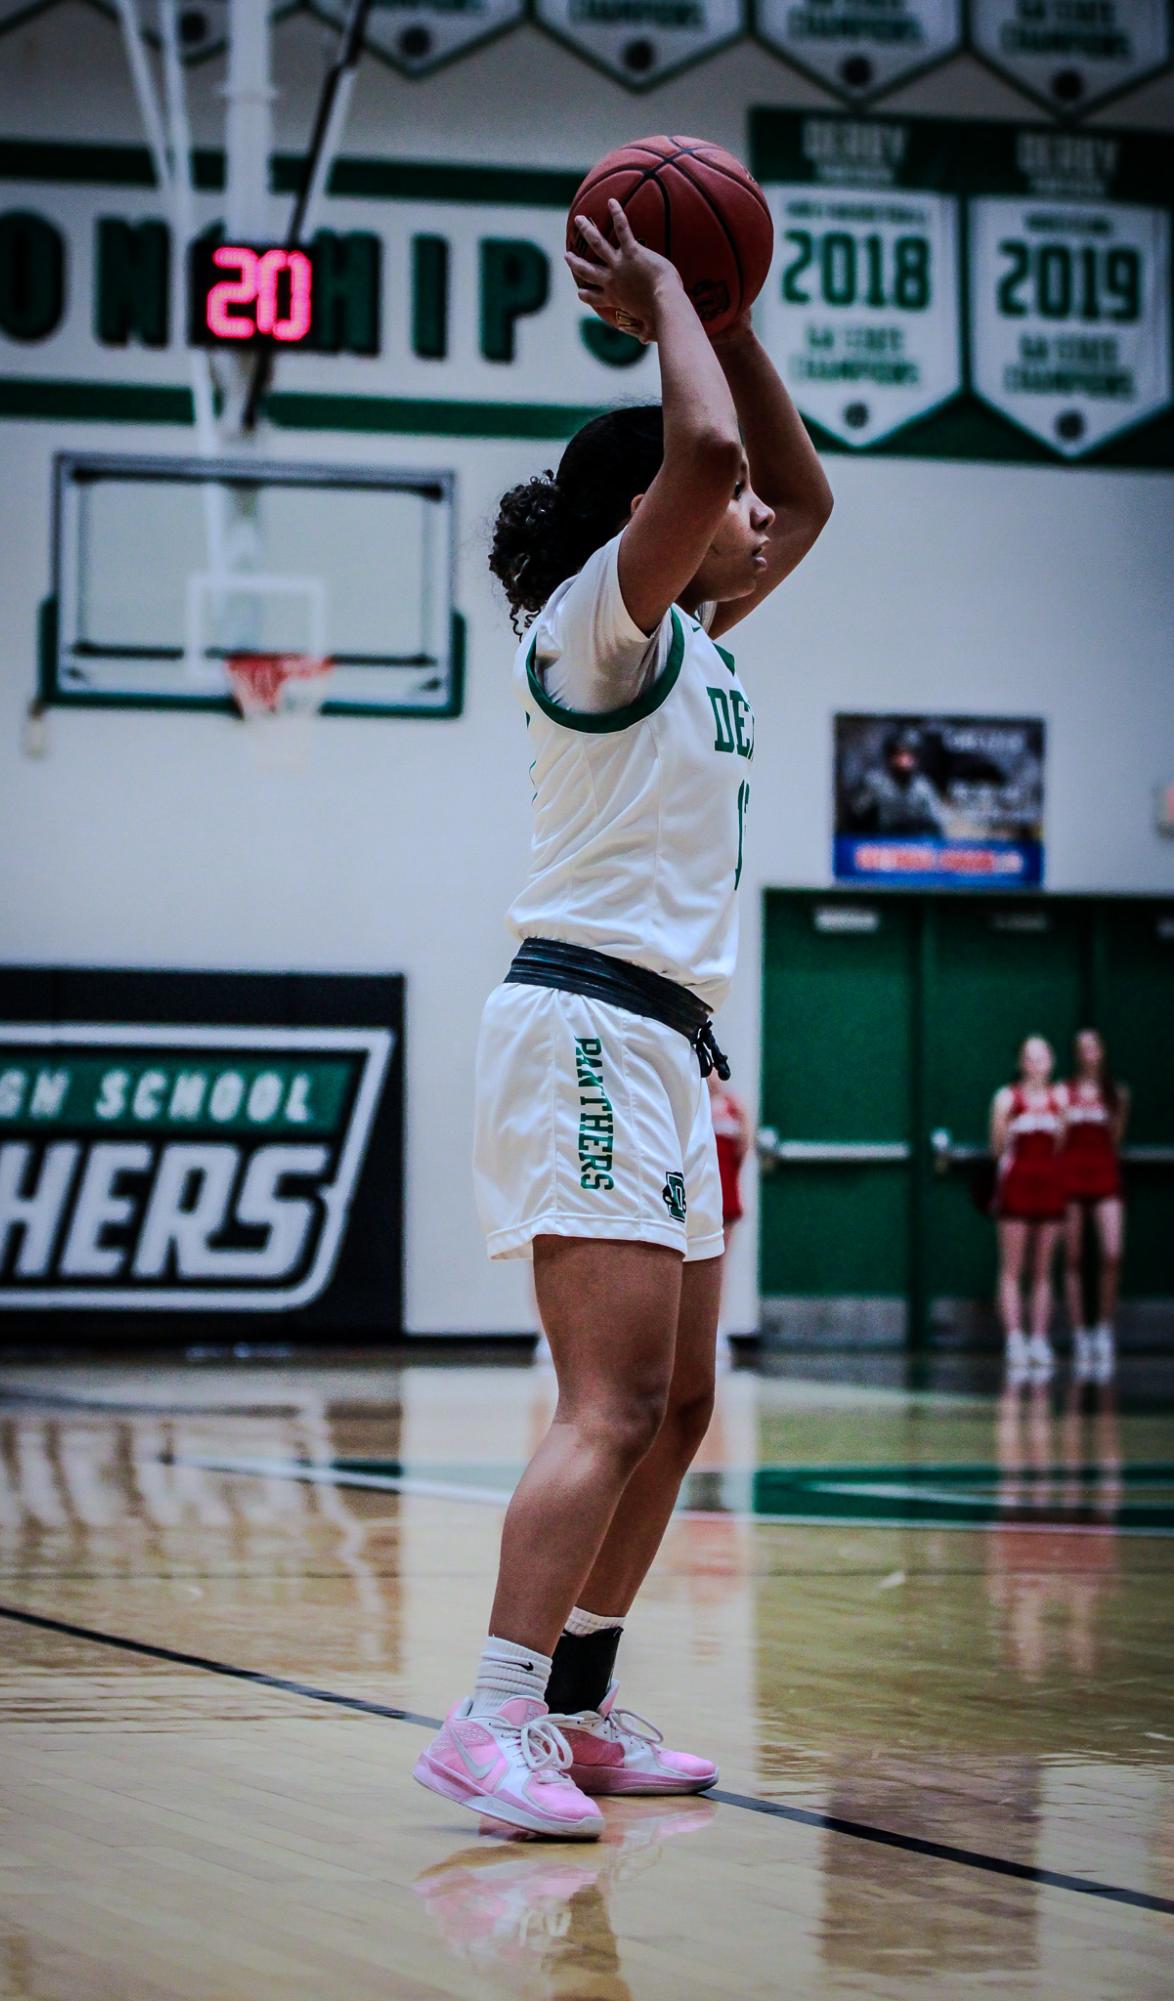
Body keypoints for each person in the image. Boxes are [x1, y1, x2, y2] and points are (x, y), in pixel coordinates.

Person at [411, 199, 832, 1838]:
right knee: (603, 1405)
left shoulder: (704, 634)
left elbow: (794, 484)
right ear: (647, 519)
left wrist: (727, 317)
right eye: (705, 498)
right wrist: (668, 292)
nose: (745, 513)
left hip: (670, 1044)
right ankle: (487, 1716)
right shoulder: (594, 629)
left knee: (679, 1409)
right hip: (582, 1025)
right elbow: (710, 449)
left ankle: (572, 1710)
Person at [990, 1036, 1068, 1383]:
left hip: (1049, 1185)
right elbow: (997, 1147)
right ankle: (1014, 1339)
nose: (1035, 1065)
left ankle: (1038, 1338)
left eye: (1042, 1058)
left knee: (1043, 1268)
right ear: (1021, 1062)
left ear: (1051, 1062)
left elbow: (1063, 1142)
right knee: (1012, 1267)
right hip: (1017, 1184)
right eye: (1029, 1058)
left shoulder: (1060, 1099)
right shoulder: (1007, 1098)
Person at [1061, 1028, 1129, 1383]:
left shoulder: (1116, 1094)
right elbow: (1058, 1137)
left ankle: (1103, 1326)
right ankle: (1080, 1333)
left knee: (1112, 1252)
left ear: (1102, 1051)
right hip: (1071, 1177)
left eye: (1094, 1047)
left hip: (1104, 1176)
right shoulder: (1065, 1092)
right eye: (1082, 1048)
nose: (1089, 1053)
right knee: (1072, 1257)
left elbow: (1116, 1137)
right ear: (1076, 1053)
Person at [708, 1073, 752, 1349]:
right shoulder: (691, 1103)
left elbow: (744, 1148)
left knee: (718, 1265)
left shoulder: (734, 1108)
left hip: (726, 1198)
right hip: (698, 1197)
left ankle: (717, 1328)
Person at [848, 726, 948, 838]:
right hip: (880, 841)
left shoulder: (923, 786)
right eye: (899, 755)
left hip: (913, 843)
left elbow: (937, 823)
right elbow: (856, 815)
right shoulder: (875, 782)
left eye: (908, 756)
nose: (904, 761)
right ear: (889, 757)